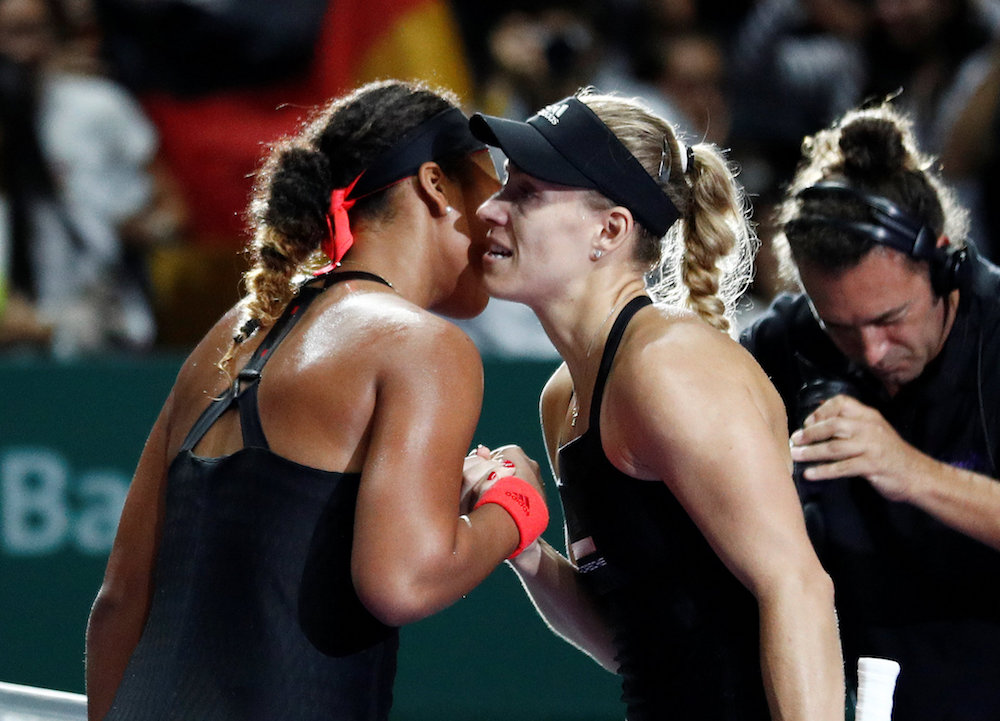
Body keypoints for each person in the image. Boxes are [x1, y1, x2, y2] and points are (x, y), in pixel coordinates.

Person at [84, 79, 548, 721]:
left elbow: (119, 597)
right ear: (435, 186)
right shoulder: (422, 347)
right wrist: (512, 506)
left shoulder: (238, 328)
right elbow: (403, 582)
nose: (499, 213)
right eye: (489, 183)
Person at [463, 90, 844, 721]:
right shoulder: (564, 395)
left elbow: (797, 587)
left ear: (609, 230)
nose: (490, 209)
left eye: (525, 193)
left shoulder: (666, 367)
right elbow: (635, 647)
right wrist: (526, 547)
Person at [740, 100, 1000, 720]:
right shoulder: (789, 341)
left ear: (943, 262)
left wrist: (912, 472)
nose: (871, 351)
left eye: (890, 319)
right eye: (841, 325)